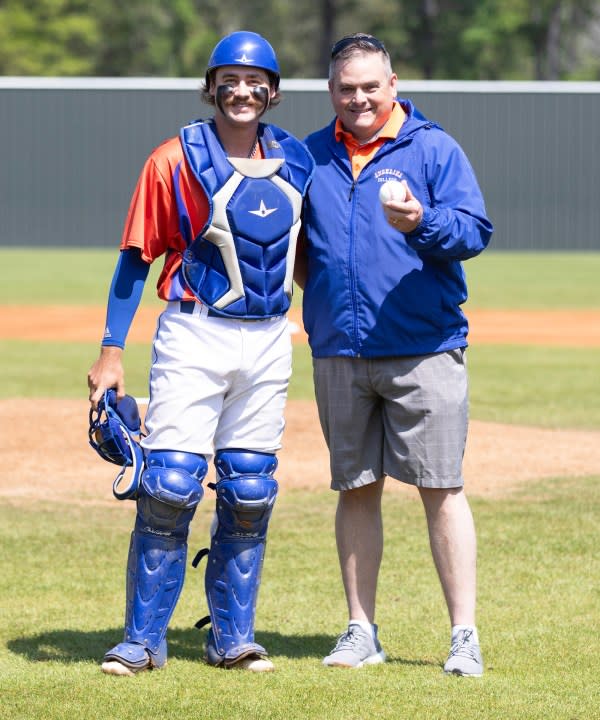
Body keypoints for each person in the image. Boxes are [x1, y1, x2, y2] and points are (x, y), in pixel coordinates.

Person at [87, 30, 314, 676]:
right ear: (211, 87)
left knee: (249, 489)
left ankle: (232, 637)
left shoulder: (299, 162)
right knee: (171, 486)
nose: (242, 91)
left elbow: (307, 259)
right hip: (193, 331)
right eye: (230, 79)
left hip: (269, 337)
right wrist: (111, 352)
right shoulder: (174, 159)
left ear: (272, 91)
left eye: (255, 80)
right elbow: (135, 260)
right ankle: (141, 639)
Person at [295, 33, 493, 676]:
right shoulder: (309, 155)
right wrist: (325, 292)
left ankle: (463, 635)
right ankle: (361, 631)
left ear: (394, 83)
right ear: (331, 91)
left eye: (370, 86)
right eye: (346, 88)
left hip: (423, 349)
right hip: (340, 351)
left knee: (441, 488)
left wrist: (420, 223)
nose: (359, 98)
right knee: (356, 489)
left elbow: (474, 232)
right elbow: (301, 249)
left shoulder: (432, 148)